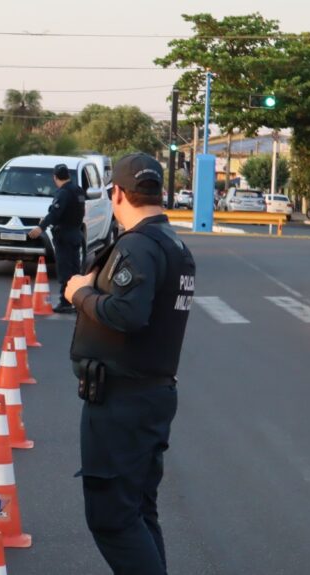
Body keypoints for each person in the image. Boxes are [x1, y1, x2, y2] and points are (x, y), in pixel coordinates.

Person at [64, 153, 195, 575]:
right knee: (138, 510)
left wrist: (80, 294)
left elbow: (128, 313)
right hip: (149, 394)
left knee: (113, 518)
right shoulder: (174, 245)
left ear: (117, 193)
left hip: (123, 400)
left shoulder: (138, 246)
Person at [28, 163, 84, 313]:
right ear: (68, 175)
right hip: (76, 233)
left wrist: (41, 227)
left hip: (64, 235)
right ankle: (78, 300)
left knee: (66, 270)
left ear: (55, 177)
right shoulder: (78, 190)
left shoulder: (63, 193)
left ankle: (65, 302)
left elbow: (55, 213)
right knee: (75, 269)